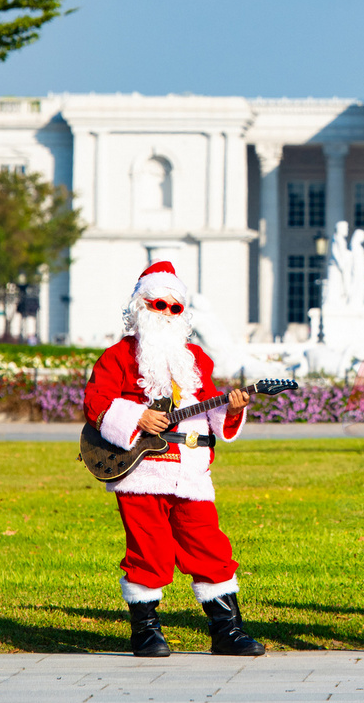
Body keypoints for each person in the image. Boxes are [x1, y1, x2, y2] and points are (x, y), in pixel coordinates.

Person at [82, 260, 264, 658]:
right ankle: (146, 633)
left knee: (210, 547)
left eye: (174, 307)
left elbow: (209, 408)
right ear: (139, 306)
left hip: (192, 468)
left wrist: (232, 409)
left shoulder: (196, 357)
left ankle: (227, 632)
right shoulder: (117, 356)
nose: (165, 313)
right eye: (157, 304)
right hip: (140, 469)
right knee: (148, 550)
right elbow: (96, 401)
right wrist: (137, 417)